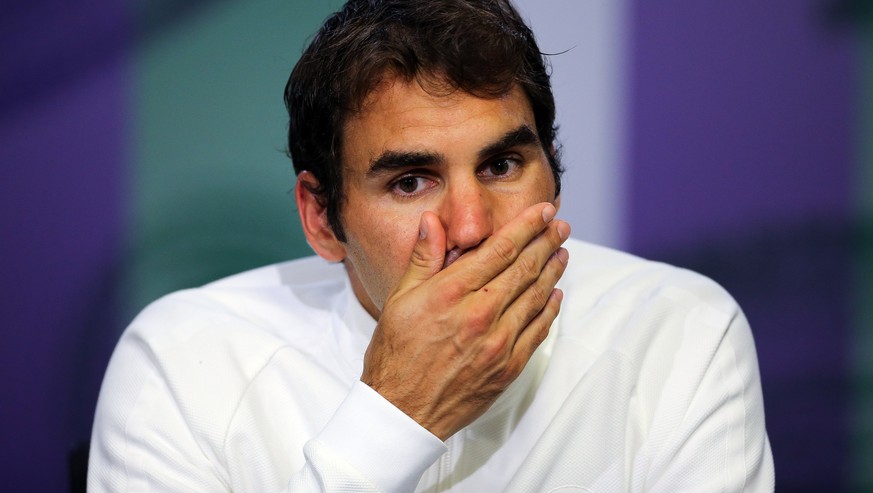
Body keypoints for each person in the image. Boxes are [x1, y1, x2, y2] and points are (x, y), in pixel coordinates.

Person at [88, 0, 775, 491]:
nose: (472, 225)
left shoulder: (677, 331)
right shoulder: (182, 363)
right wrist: (396, 417)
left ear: (553, 177)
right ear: (323, 218)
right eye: (411, 181)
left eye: (502, 165)